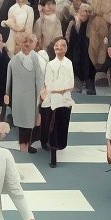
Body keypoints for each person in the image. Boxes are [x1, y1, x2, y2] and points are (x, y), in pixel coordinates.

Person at [39, 35, 75, 168]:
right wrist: (58, 90)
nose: (60, 48)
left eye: (63, 45)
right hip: (53, 99)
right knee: (52, 126)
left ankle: (58, 145)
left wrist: (62, 90)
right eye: (58, 45)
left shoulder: (69, 63)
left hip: (65, 98)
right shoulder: (51, 64)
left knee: (61, 125)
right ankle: (52, 155)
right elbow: (49, 83)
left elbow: (71, 82)